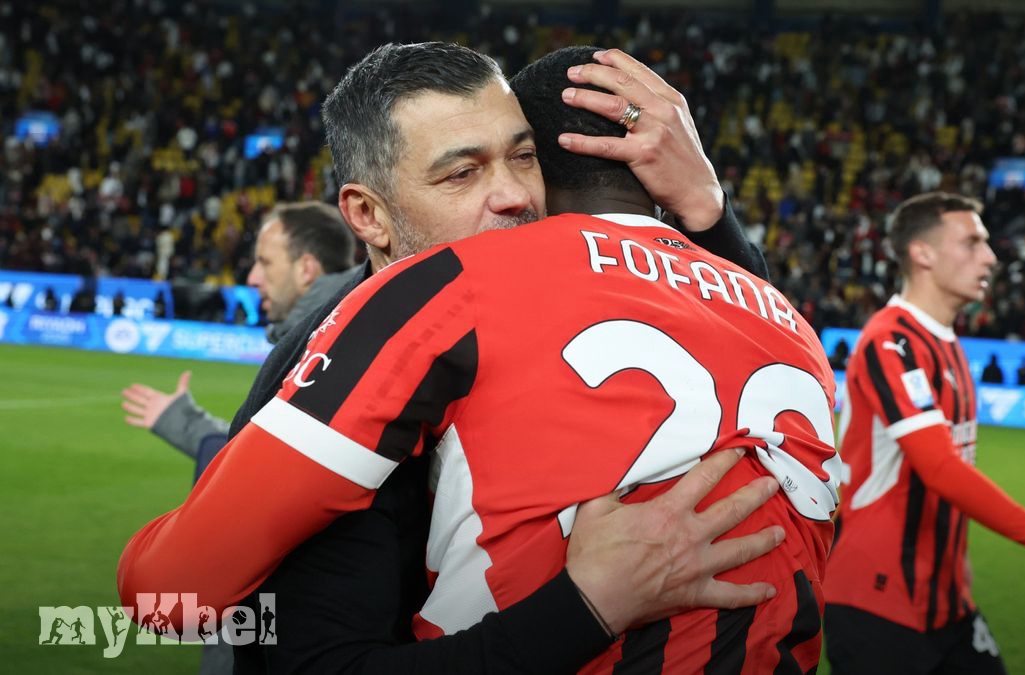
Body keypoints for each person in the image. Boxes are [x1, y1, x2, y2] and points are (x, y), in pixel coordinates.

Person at [119, 42, 782, 674]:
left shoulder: (522, 312)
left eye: (523, 157)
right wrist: (585, 606)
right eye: (462, 173)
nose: (516, 195)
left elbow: (747, 356)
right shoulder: (352, 370)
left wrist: (705, 207)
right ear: (368, 216)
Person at [823, 192, 1025, 675]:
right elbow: (940, 469)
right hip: (878, 602)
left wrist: (956, 558)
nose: (990, 257)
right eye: (972, 242)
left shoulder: (946, 344)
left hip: (945, 597)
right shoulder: (891, 341)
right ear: (922, 254)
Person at [120, 202, 358, 481]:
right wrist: (188, 424)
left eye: (265, 262)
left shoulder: (331, 353)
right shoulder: (330, 335)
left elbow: (275, 476)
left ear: (306, 268)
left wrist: (188, 426)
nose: (252, 278)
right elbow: (272, 451)